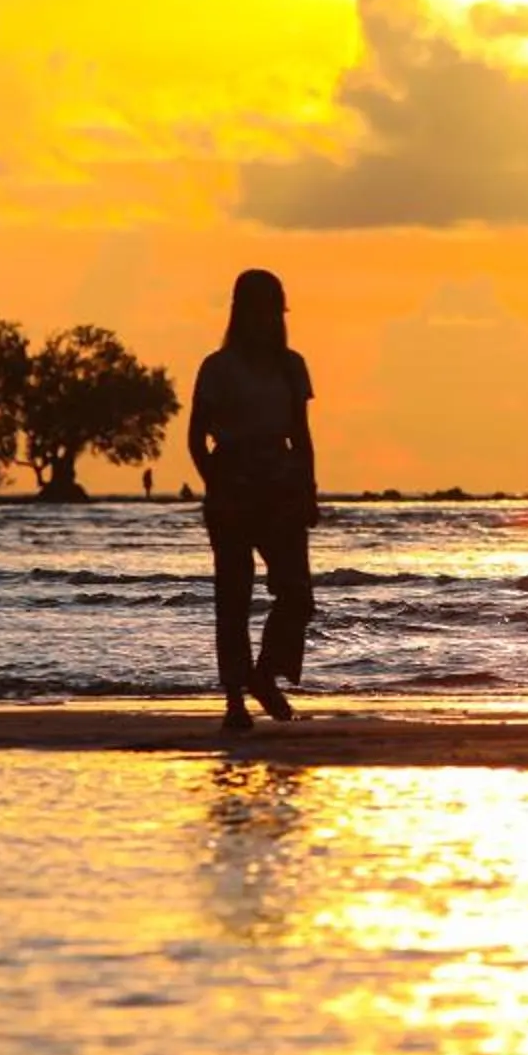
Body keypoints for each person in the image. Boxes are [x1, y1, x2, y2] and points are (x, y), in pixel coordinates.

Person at [188, 268, 318, 733]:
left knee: (297, 594)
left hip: (280, 486)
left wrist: (308, 491)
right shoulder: (217, 368)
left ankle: (265, 675)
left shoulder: (291, 365)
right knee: (234, 597)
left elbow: (301, 436)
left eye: (273, 310)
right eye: (257, 309)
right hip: (232, 489)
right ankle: (234, 702)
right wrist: (216, 488)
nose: (266, 319)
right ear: (241, 312)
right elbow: (195, 439)